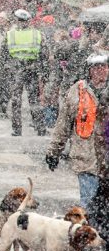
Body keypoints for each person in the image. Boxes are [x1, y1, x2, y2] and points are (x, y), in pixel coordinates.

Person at [47, 54, 108, 211]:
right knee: (89, 207)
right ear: (89, 70)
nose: (100, 70)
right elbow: (63, 124)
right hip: (86, 160)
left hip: (106, 160)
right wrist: (54, 151)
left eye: (103, 66)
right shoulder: (77, 92)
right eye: (96, 67)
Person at [0, 9, 47, 136]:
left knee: (16, 101)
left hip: (16, 71)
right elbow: (44, 54)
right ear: (29, 21)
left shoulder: (10, 34)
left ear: (16, 20)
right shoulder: (38, 34)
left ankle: (17, 129)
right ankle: (40, 127)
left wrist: (3, 71)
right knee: (34, 100)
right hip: (32, 70)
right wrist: (44, 72)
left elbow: (3, 55)